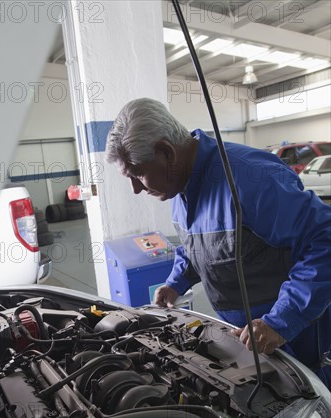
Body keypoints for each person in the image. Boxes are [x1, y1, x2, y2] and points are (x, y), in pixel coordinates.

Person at [106, 97, 331, 388]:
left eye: (137, 173)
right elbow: (196, 247)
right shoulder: (181, 190)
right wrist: (176, 283)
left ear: (166, 152)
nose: (136, 188)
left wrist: (282, 321)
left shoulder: (251, 179)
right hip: (246, 338)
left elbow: (324, 241)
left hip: (299, 341)